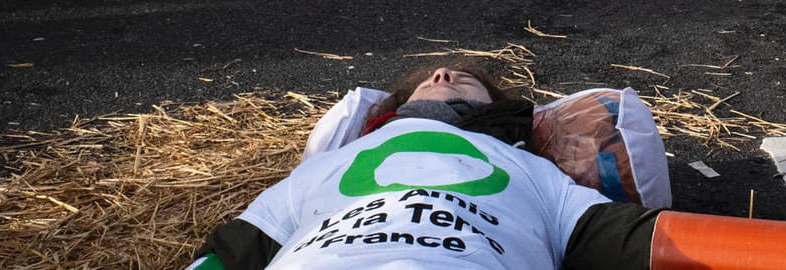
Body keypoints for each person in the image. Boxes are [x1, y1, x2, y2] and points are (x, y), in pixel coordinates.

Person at [186, 63, 659, 269]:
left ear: (497, 110)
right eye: (430, 79)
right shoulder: (323, 168)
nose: (442, 75)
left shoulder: (532, 171)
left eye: (465, 80)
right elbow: (229, 255)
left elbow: (644, 241)